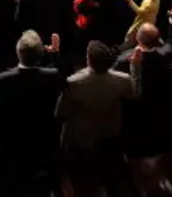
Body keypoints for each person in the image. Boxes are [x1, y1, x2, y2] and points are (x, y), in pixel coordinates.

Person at [56, 42, 142, 190]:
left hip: (82, 137)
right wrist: (135, 67)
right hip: (110, 132)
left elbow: (61, 113)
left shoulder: (74, 82)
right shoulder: (122, 79)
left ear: (88, 60)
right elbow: (135, 94)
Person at [0, 30, 63, 197]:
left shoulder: (2, 80)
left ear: (18, 53)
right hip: (43, 148)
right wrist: (55, 54)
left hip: (12, 151)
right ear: (40, 54)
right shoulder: (51, 77)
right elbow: (62, 76)